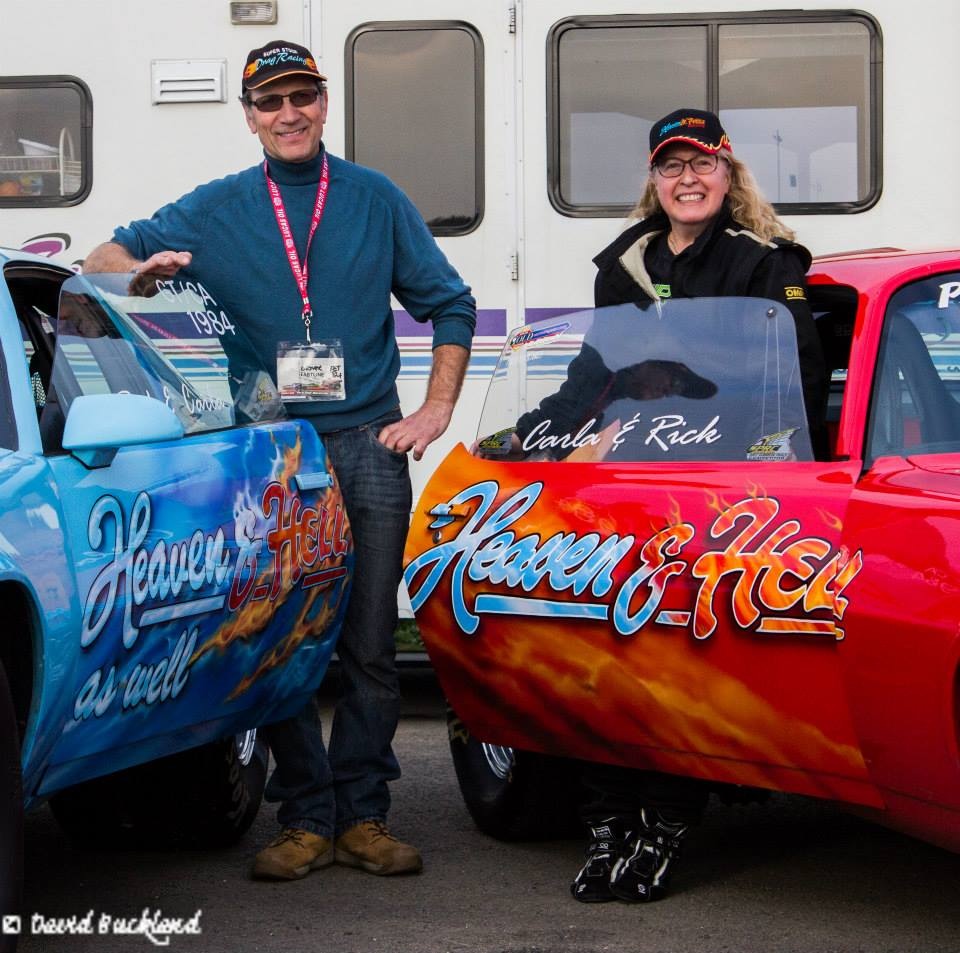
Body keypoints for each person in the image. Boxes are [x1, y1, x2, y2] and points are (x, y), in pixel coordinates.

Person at [83, 40, 476, 881]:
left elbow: (450, 303)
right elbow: (100, 260)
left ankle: (363, 814)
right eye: (270, 101)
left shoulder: (374, 198)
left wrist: (435, 410)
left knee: (369, 644)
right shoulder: (218, 206)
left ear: (324, 104)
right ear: (250, 117)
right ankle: (304, 816)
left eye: (302, 96)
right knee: (281, 638)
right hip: (270, 452)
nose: (288, 113)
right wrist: (143, 275)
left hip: (368, 444)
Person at [568, 108, 827, 904]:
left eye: (702, 163)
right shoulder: (625, 265)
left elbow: (796, 377)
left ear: (728, 171)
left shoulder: (763, 261)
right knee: (605, 654)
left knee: (675, 658)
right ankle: (609, 819)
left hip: (720, 490)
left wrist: (761, 457)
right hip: (629, 489)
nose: (687, 179)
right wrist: (539, 432)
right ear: (654, 179)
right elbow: (591, 373)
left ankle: (667, 820)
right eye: (671, 165)